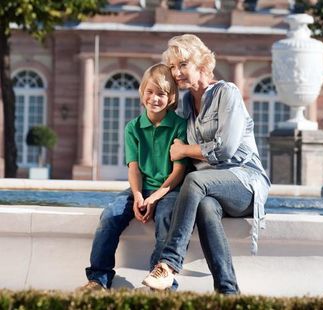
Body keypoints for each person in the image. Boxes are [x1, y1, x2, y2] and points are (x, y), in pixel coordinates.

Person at [142, 34, 271, 294]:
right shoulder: (186, 105)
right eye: (173, 67)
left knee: (196, 180)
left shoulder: (227, 93)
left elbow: (225, 149)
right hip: (210, 189)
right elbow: (176, 155)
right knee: (206, 208)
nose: (176, 73)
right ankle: (228, 291)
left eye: (183, 65)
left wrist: (185, 149)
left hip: (245, 182)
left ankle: (168, 263)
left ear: (202, 64)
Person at [81, 63, 188, 290]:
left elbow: (178, 172)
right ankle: (98, 278)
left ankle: (160, 282)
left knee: (166, 219)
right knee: (110, 215)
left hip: (169, 189)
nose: (154, 98)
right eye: (149, 92)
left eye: (161, 94)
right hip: (141, 188)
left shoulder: (180, 126)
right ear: (142, 94)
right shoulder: (133, 128)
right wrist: (139, 197)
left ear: (171, 98)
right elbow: (134, 169)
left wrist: (155, 198)